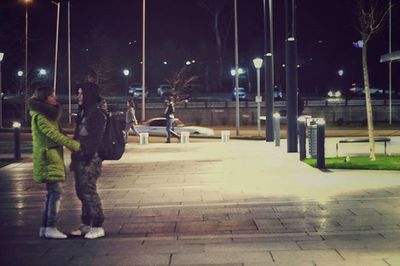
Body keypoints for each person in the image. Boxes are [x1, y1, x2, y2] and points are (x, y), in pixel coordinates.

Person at [27, 86, 80, 239]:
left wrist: (70, 139)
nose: (55, 98)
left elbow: (58, 132)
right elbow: (53, 134)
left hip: (50, 156)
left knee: (52, 193)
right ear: (45, 98)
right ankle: (50, 226)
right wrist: (74, 146)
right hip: (48, 158)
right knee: (55, 193)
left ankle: (45, 228)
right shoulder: (41, 116)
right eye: (52, 96)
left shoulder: (47, 115)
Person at [70, 82, 107, 239]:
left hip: (90, 158)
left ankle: (98, 225)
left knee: (88, 190)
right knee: (81, 191)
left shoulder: (96, 114)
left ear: (89, 95)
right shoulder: (84, 112)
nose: (78, 97)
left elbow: (95, 139)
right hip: (80, 157)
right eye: (78, 93)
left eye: (81, 93)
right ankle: (85, 224)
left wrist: (87, 156)